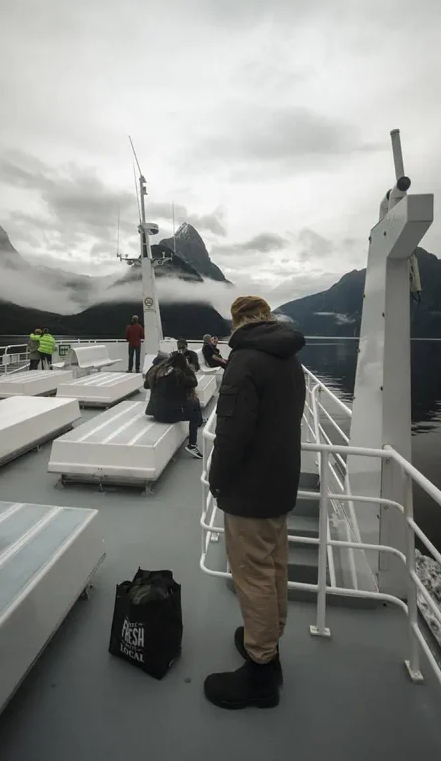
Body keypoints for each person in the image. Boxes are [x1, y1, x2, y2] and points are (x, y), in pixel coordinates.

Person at [203, 296, 306, 711]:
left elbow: (232, 435)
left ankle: (261, 669)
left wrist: (217, 480)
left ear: (237, 324)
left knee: (253, 575)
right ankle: (268, 642)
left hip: (250, 490)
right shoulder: (290, 359)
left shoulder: (245, 362)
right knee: (275, 564)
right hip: (280, 483)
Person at [144, 351, 203, 459]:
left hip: (155, 412)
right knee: (195, 413)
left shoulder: (158, 371)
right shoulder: (178, 374)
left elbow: (146, 385)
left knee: (194, 403)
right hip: (168, 415)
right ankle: (192, 444)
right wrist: (187, 369)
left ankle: (199, 421)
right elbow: (193, 382)